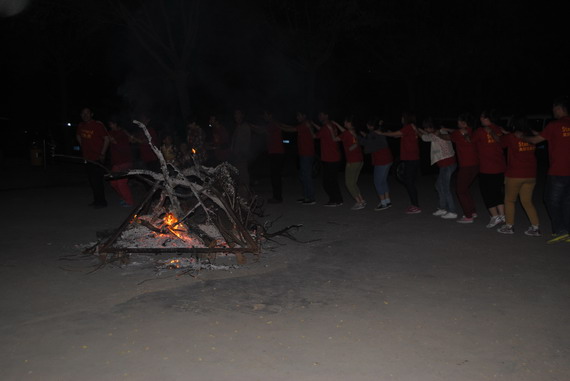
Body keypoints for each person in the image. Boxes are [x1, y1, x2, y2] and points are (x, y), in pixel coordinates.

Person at [520, 96, 570, 243]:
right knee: (566, 201)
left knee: (550, 199)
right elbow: (547, 136)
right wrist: (534, 132)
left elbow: (536, 141)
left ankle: (560, 230)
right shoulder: (558, 126)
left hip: (558, 170)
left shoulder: (555, 124)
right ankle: (567, 230)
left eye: (554, 109)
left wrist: (523, 136)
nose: (552, 111)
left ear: (559, 108)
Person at [497, 116, 541, 236]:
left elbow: (500, 143)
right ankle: (535, 227)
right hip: (531, 174)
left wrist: (504, 133)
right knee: (527, 201)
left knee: (509, 200)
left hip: (515, 174)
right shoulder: (532, 137)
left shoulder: (512, 137)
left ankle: (509, 226)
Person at [380, 111, 421, 214]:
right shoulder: (410, 127)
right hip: (411, 158)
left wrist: (382, 133)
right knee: (409, 181)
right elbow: (396, 135)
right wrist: (386, 130)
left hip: (411, 158)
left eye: (402, 117)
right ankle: (414, 205)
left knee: (409, 182)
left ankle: (416, 206)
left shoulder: (408, 127)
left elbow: (397, 133)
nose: (401, 119)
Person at [417, 117, 457, 219]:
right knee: (439, 185)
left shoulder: (438, 134)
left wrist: (416, 130)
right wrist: (419, 129)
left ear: (432, 127)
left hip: (446, 164)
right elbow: (428, 134)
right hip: (446, 163)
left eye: (427, 128)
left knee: (445, 187)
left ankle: (452, 211)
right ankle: (442, 208)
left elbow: (425, 138)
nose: (426, 129)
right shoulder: (440, 131)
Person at [472, 110, 506, 228]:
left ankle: (495, 216)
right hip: (498, 167)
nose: (480, 119)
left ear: (487, 118)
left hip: (488, 168)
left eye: (482, 117)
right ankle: (502, 215)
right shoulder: (498, 129)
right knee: (497, 191)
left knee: (488, 193)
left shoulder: (482, 130)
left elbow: (470, 141)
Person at [443, 113, 479, 223]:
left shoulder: (458, 133)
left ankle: (468, 216)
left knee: (460, 190)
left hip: (466, 165)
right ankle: (472, 211)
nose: (457, 123)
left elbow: (448, 137)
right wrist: (447, 129)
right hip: (476, 165)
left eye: (459, 121)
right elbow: (455, 131)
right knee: (465, 189)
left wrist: (437, 134)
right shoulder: (473, 130)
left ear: (463, 123)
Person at [76, 107, 109, 209]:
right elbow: (78, 136)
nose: (85, 115)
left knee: (97, 180)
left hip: (97, 157)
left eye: (87, 113)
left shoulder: (97, 125)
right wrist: (83, 147)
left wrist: (102, 153)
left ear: (91, 114)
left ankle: (102, 202)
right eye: (83, 113)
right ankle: (96, 200)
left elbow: (107, 139)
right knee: (91, 180)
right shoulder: (81, 125)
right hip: (87, 157)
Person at [334, 117, 365, 210]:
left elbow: (335, 139)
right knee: (353, 183)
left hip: (352, 161)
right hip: (360, 160)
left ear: (349, 123)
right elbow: (345, 132)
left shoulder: (346, 133)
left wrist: (332, 130)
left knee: (349, 183)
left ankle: (359, 202)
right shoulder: (353, 132)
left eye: (345, 121)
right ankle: (362, 200)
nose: (344, 122)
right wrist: (336, 124)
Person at [312, 111, 343, 207]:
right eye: (319, 115)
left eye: (321, 115)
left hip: (330, 158)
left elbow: (315, 136)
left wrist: (310, 128)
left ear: (326, 115)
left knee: (327, 182)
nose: (319, 117)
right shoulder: (331, 125)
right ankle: (338, 200)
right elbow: (322, 131)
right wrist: (313, 124)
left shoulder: (326, 127)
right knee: (333, 180)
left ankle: (334, 200)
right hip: (335, 156)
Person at [362, 119, 393, 210]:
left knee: (377, 182)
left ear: (370, 126)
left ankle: (383, 203)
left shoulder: (373, 134)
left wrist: (360, 138)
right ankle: (387, 201)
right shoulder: (379, 131)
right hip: (388, 158)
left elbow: (366, 146)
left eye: (368, 125)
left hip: (381, 160)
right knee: (383, 180)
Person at [108, 116, 134, 207]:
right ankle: (123, 198)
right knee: (113, 183)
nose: (110, 125)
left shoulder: (123, 133)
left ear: (116, 124)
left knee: (121, 182)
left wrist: (115, 142)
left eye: (111, 124)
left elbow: (125, 147)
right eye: (109, 124)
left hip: (125, 161)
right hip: (116, 162)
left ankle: (129, 201)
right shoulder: (110, 133)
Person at [262, 111, 286, 204]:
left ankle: (277, 197)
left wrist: (251, 126)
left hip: (277, 153)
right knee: (275, 175)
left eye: (265, 115)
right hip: (275, 152)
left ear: (270, 115)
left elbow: (262, 130)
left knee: (275, 176)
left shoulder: (273, 124)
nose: (264, 117)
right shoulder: (272, 124)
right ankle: (277, 196)